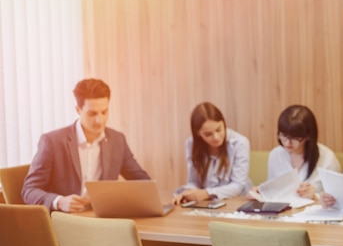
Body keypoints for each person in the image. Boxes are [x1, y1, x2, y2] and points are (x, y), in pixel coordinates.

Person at [22, 78, 150, 213]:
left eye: (104, 112)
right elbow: (29, 190)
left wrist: (174, 194)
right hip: (65, 220)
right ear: (78, 110)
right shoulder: (52, 142)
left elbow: (142, 182)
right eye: (92, 113)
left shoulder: (117, 140)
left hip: (101, 217)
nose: (100, 120)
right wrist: (59, 202)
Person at [173, 102, 251, 204]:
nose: (216, 137)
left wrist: (206, 193)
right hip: (207, 202)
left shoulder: (240, 143)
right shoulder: (191, 144)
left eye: (219, 129)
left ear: (223, 123)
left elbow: (238, 185)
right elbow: (193, 181)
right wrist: (188, 193)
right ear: (198, 133)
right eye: (208, 134)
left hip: (237, 200)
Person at [266, 105, 341, 199]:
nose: (288, 142)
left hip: (315, 212)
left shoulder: (327, 158)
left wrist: (315, 196)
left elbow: (339, 197)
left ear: (308, 136)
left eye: (295, 138)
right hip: (284, 212)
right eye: (284, 135)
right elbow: (273, 192)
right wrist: (261, 193)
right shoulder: (275, 155)